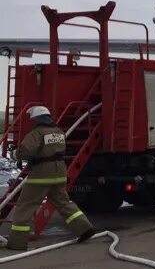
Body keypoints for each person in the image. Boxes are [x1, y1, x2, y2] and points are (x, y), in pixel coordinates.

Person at [5, 105, 95, 251]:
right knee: (64, 203)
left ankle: (17, 243)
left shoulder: (37, 133)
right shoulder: (58, 132)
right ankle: (85, 229)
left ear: (36, 118)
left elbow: (26, 151)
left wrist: (14, 154)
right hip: (59, 173)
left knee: (25, 206)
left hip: (41, 175)